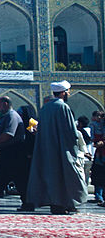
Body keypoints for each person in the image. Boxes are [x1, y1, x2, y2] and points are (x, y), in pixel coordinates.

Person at [27, 81, 86, 214]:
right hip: (62, 150)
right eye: (68, 91)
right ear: (63, 93)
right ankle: (66, 204)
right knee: (68, 176)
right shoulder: (63, 107)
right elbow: (71, 132)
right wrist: (74, 147)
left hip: (47, 150)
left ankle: (56, 204)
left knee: (52, 177)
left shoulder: (45, 108)